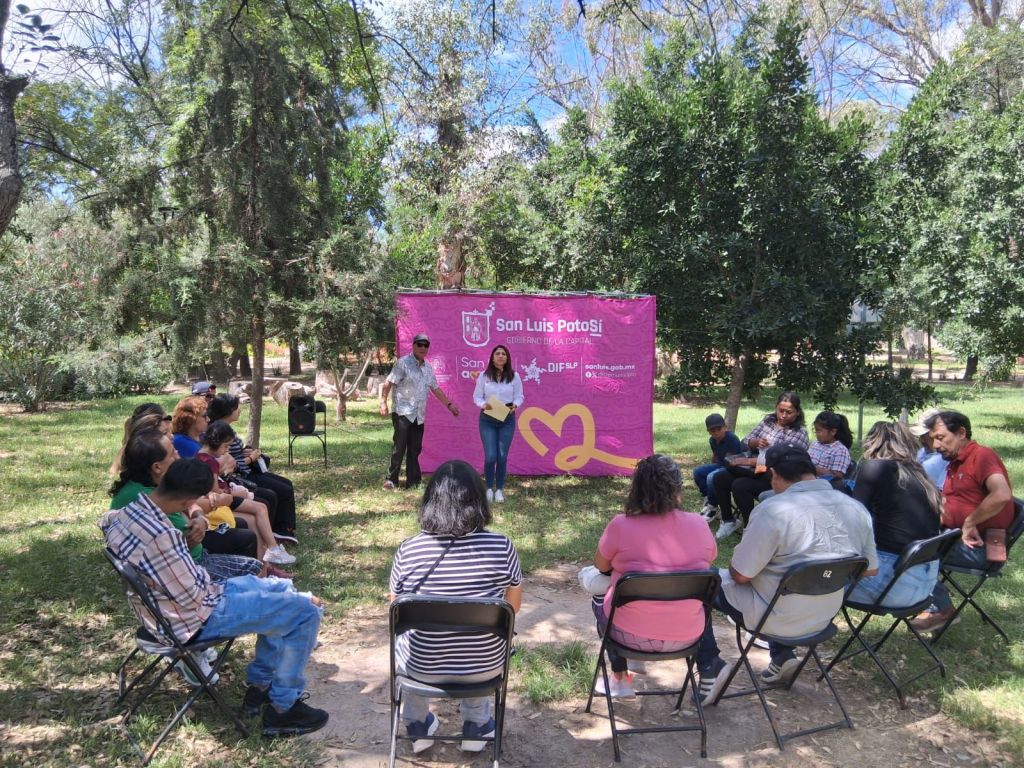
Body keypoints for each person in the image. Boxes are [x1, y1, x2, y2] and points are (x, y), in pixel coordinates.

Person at [102, 458, 329, 737]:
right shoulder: (164, 537)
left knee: (281, 592)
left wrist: (197, 517)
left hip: (166, 611)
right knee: (304, 611)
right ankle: (284, 708)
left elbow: (107, 522)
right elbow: (196, 595)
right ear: (189, 498)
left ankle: (261, 689)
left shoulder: (127, 512)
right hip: (192, 619)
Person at [696, 444, 878, 704]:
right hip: (823, 616)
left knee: (699, 577)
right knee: (785, 583)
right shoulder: (856, 508)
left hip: (775, 617)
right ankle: (782, 657)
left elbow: (740, 575)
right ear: (812, 471)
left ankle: (710, 663)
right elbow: (870, 568)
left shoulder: (774, 510)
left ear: (774, 474)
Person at [388, 460, 522, 754]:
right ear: (478, 500)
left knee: (408, 639)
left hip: (419, 668)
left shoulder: (408, 550)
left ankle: (416, 724)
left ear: (430, 501)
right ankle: (477, 725)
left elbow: (396, 609)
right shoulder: (503, 546)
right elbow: (512, 610)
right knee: (483, 637)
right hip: (484, 667)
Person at [587, 455, 716, 698]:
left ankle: (620, 677)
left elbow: (601, 565)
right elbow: (709, 560)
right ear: (678, 488)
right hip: (689, 635)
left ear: (636, 487)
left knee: (598, 593)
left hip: (628, 636)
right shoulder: (700, 524)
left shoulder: (621, 525)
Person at [109, 427, 271, 582]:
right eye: (173, 453)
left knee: (246, 541)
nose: (178, 455)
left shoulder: (154, 484)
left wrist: (199, 517)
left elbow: (190, 505)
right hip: (189, 568)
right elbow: (162, 547)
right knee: (251, 559)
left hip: (193, 556)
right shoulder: (142, 496)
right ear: (156, 467)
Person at [909, 410, 1015, 632]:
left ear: (961, 433)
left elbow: (1002, 494)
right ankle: (927, 601)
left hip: (980, 547)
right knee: (902, 535)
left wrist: (969, 522)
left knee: (910, 549)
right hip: (952, 537)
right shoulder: (954, 463)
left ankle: (940, 608)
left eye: (940, 437)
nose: (935, 445)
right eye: (932, 440)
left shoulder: (982, 456)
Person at [846, 421, 942, 607]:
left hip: (891, 583)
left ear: (872, 442)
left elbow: (855, 521)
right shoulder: (919, 473)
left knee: (810, 580)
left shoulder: (875, 467)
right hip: (924, 584)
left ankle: (792, 632)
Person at [713, 392, 810, 540]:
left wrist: (751, 461)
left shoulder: (799, 433)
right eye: (780, 410)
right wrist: (755, 442)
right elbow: (745, 441)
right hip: (756, 471)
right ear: (776, 407)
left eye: (789, 412)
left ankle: (750, 528)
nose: (783, 415)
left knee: (740, 485)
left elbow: (785, 461)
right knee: (720, 477)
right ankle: (728, 521)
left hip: (776, 478)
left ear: (797, 412)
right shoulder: (768, 421)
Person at [197, 420, 294, 566]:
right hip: (222, 500)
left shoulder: (200, 456)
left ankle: (264, 563)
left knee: (256, 515)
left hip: (222, 498)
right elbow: (215, 491)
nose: (226, 451)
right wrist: (235, 492)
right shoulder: (209, 462)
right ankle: (273, 549)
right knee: (260, 508)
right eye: (225, 446)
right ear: (215, 442)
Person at [208, 393, 298, 542]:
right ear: (228, 411)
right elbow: (228, 464)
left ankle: (284, 529)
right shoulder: (218, 432)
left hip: (246, 470)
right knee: (278, 491)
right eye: (237, 408)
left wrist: (246, 452)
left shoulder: (226, 428)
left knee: (286, 484)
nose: (240, 411)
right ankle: (277, 531)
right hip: (240, 476)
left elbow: (233, 456)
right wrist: (251, 458)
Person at [379, 333, 460, 490]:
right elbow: (388, 383)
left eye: (426, 345)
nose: (423, 347)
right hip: (403, 412)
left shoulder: (428, 367)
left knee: (415, 449)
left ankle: (413, 481)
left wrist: (449, 405)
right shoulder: (402, 364)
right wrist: (383, 402)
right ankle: (391, 480)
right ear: (413, 345)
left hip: (419, 415)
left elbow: (435, 389)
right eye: (420, 344)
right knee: (399, 447)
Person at [472, 345, 525, 503]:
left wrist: (515, 405)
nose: (500, 356)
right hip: (488, 418)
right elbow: (477, 397)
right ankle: (489, 488)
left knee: (502, 456)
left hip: (507, 419)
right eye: (497, 353)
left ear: (507, 357)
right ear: (492, 357)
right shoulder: (483, 376)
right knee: (490, 456)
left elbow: (520, 396)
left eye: (503, 354)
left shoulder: (514, 376)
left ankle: (499, 490)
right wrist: (483, 405)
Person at [693, 413, 744, 521]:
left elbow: (730, 461)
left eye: (719, 429)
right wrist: (712, 465)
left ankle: (712, 507)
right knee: (698, 472)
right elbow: (716, 455)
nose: (716, 433)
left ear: (725, 427)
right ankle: (709, 499)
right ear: (709, 432)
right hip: (721, 464)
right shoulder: (712, 440)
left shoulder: (732, 439)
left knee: (712, 477)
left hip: (733, 468)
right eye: (712, 431)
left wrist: (715, 468)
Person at [910, 408, 949, 490]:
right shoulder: (922, 452)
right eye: (920, 436)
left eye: (925, 435)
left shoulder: (946, 458)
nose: (922, 440)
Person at [808, 411, 853, 481]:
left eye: (819, 431)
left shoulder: (840, 450)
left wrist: (811, 468)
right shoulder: (814, 444)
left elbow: (837, 476)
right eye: (815, 430)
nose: (816, 434)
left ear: (833, 432)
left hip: (825, 487)